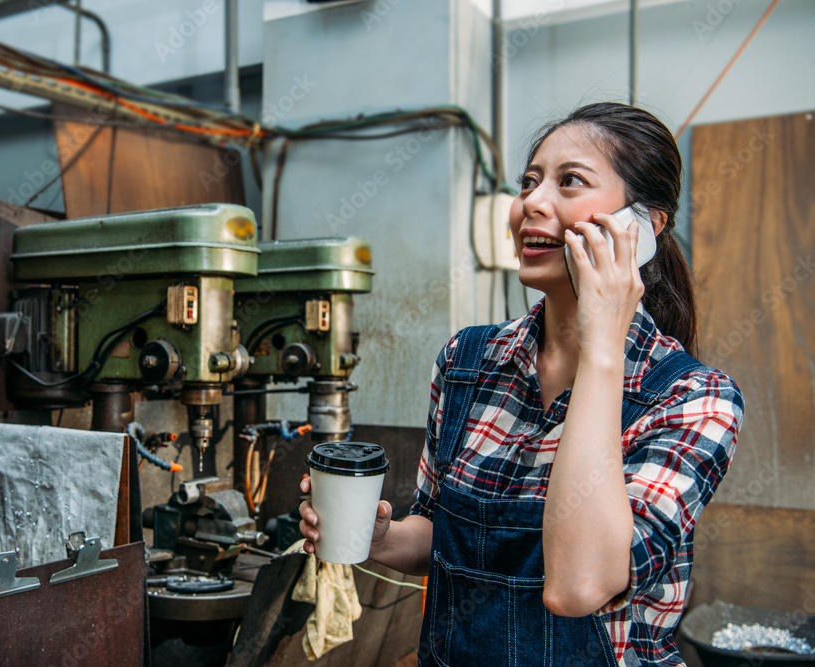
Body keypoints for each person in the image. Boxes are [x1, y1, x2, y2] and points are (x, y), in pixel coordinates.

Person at [298, 102, 744, 666]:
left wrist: (603, 343)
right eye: (529, 182)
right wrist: (381, 539)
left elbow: (578, 586)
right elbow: (441, 533)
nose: (532, 202)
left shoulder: (694, 399)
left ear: (644, 226)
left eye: (570, 181)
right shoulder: (468, 360)